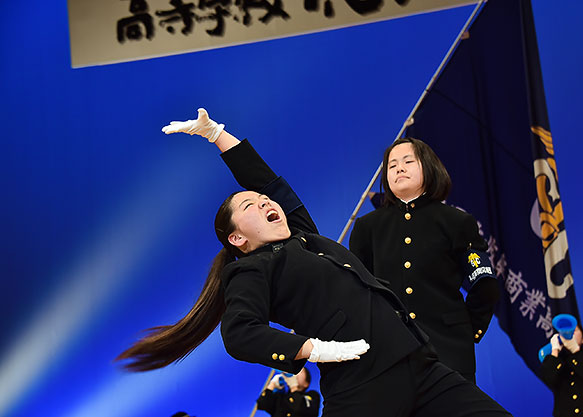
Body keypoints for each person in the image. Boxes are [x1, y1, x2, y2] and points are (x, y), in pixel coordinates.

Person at [116, 108, 511, 417]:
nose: (265, 202)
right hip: (364, 385)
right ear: (238, 239)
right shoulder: (249, 269)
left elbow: (269, 182)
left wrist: (216, 135)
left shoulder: (303, 234)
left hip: (418, 362)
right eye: (250, 206)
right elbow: (239, 334)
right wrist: (311, 349)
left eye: (263, 201)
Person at [349, 137, 499, 382]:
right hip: (387, 356)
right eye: (392, 165)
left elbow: (484, 283)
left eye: (408, 161)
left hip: (449, 354)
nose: (399, 168)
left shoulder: (456, 222)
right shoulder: (367, 227)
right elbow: (356, 291)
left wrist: (466, 331)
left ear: (429, 167)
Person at [540, 324, 583, 417]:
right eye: (564, 333)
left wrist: (575, 350)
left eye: (574, 331)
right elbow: (548, 377)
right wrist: (555, 350)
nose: (568, 334)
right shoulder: (558, 361)